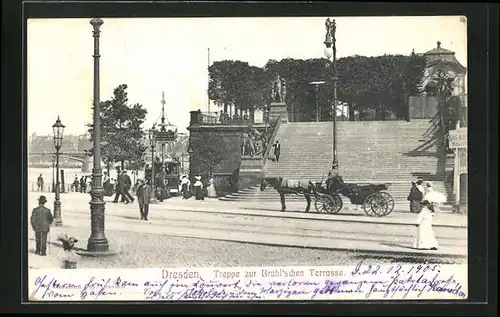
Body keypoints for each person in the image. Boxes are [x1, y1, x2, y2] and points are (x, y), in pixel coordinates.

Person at [411, 182, 446, 251]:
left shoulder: (424, 209)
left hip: (423, 223)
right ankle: (431, 244)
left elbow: (420, 216)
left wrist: (417, 223)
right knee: (429, 234)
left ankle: (421, 245)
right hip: (428, 224)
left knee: (421, 234)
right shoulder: (431, 211)